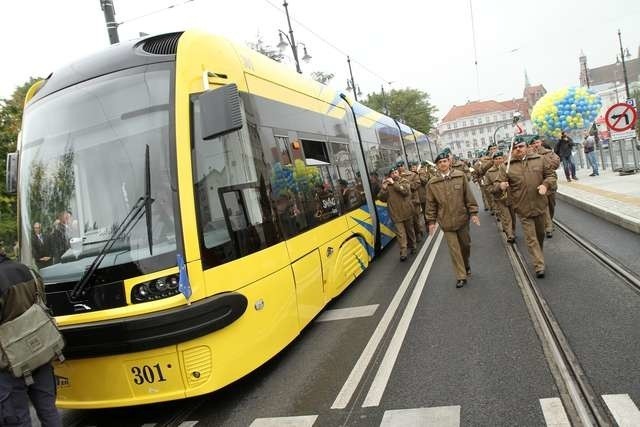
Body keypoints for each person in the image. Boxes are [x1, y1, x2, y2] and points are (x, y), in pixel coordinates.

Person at [0, 246, 62, 427]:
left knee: (17, 419)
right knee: (50, 413)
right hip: (40, 354)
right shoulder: (28, 271)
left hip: (8, 364)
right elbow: (42, 304)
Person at [498, 138, 557, 278]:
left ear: (527, 147)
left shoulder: (539, 160)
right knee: (531, 238)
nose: (519, 149)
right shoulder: (506, 166)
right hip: (522, 208)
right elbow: (497, 184)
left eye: (521, 146)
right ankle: (539, 265)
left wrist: (545, 185)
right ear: (512, 149)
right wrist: (501, 186)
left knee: (540, 234)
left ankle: (538, 254)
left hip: (540, 205)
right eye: (516, 147)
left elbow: (551, 175)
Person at [426, 151, 480, 288]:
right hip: (446, 222)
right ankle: (461, 276)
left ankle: (466, 265)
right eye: (440, 162)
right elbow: (431, 204)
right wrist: (431, 222)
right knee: (454, 250)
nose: (443, 164)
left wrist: (473, 213)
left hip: (462, 219)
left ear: (449, 162)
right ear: (437, 166)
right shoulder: (432, 183)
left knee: (465, 246)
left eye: (445, 161)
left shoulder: (460, 176)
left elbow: (468, 196)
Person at [377, 167, 415, 261]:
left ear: (398, 173)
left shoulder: (404, 181)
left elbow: (405, 192)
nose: (394, 174)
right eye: (392, 173)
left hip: (406, 212)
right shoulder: (388, 185)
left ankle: (413, 245)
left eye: (396, 172)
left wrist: (394, 184)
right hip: (395, 214)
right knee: (401, 234)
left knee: (410, 231)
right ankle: (403, 252)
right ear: (390, 175)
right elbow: (381, 198)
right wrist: (384, 189)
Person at [528, 135, 561, 238]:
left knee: (551, 205)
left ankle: (549, 222)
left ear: (540, 143)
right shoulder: (528, 156)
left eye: (537, 142)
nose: (535, 145)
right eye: (533, 144)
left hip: (550, 184)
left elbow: (556, 163)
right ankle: (548, 227)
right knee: (544, 206)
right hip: (538, 185)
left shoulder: (548, 152)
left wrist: (543, 164)